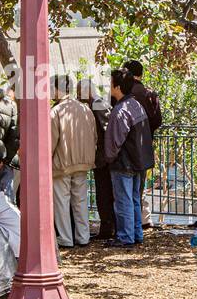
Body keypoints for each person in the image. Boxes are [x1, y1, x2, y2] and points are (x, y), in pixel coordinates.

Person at [105, 68, 154, 248]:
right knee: (134, 199)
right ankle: (136, 233)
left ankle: (125, 236)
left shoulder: (120, 110)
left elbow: (114, 141)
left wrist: (109, 158)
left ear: (117, 86)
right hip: (139, 162)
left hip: (123, 163)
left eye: (110, 82)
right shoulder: (136, 105)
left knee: (123, 200)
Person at [50, 75, 97, 248]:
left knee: (62, 202)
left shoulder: (55, 111)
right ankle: (83, 236)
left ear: (57, 89)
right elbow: (94, 136)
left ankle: (66, 238)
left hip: (62, 163)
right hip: (84, 161)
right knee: (81, 200)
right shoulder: (85, 109)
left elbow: (51, 141)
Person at [123, 60, 163, 227]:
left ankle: (130, 223)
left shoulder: (125, 92)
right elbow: (158, 120)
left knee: (126, 187)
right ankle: (141, 220)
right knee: (140, 185)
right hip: (146, 144)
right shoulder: (150, 94)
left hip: (127, 145)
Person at [80, 77, 117, 241]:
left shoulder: (97, 105)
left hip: (103, 159)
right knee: (104, 194)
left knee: (104, 193)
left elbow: (106, 131)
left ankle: (108, 228)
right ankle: (108, 226)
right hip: (102, 158)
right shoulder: (97, 104)